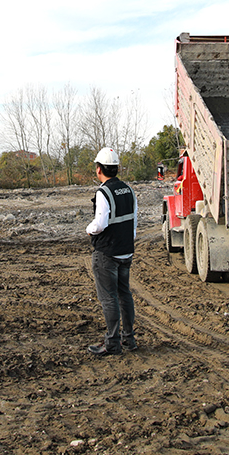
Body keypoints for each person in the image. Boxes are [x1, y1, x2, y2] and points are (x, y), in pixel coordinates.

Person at [86, 147, 138, 357]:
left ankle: (112, 343)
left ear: (99, 169)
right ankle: (129, 339)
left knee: (109, 298)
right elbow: (133, 222)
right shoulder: (129, 190)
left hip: (107, 253)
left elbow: (99, 224)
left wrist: (88, 229)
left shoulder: (103, 192)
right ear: (116, 168)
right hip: (126, 252)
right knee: (124, 295)